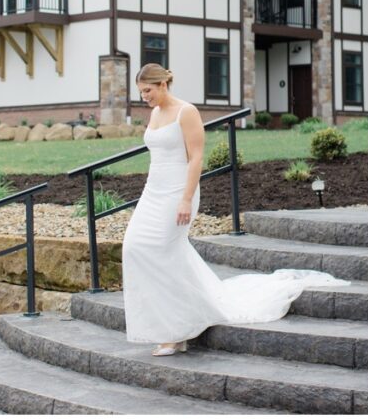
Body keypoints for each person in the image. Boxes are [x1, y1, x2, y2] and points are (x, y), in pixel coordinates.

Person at [121, 63, 347, 357]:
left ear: (163, 84)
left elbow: (196, 159)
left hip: (178, 192)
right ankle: (175, 315)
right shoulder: (154, 113)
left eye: (147, 91)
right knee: (134, 247)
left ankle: (175, 332)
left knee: (164, 251)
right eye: (141, 93)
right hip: (153, 192)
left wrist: (186, 199)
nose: (145, 98)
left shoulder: (186, 112)